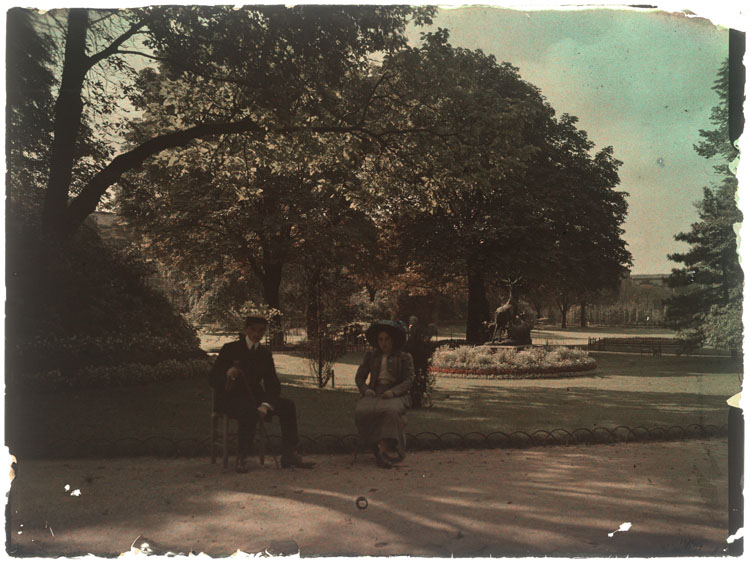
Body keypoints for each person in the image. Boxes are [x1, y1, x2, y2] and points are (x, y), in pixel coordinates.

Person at [209, 316, 314, 472]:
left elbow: (273, 384)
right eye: (254, 330)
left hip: (255, 398)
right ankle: (242, 457)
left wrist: (266, 405)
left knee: (287, 406)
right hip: (230, 398)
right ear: (246, 330)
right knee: (249, 410)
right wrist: (227, 373)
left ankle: (289, 454)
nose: (257, 334)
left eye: (262, 331)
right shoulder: (230, 349)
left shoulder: (264, 354)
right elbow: (212, 379)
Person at [355, 320, 414, 468]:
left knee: (390, 411)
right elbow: (360, 377)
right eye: (380, 340)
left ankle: (385, 451)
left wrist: (393, 392)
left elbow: (409, 380)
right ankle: (375, 445)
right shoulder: (372, 356)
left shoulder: (404, 357)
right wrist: (365, 389)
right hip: (375, 393)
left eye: (387, 339)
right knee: (362, 410)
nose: (384, 343)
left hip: (397, 394)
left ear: (393, 340)